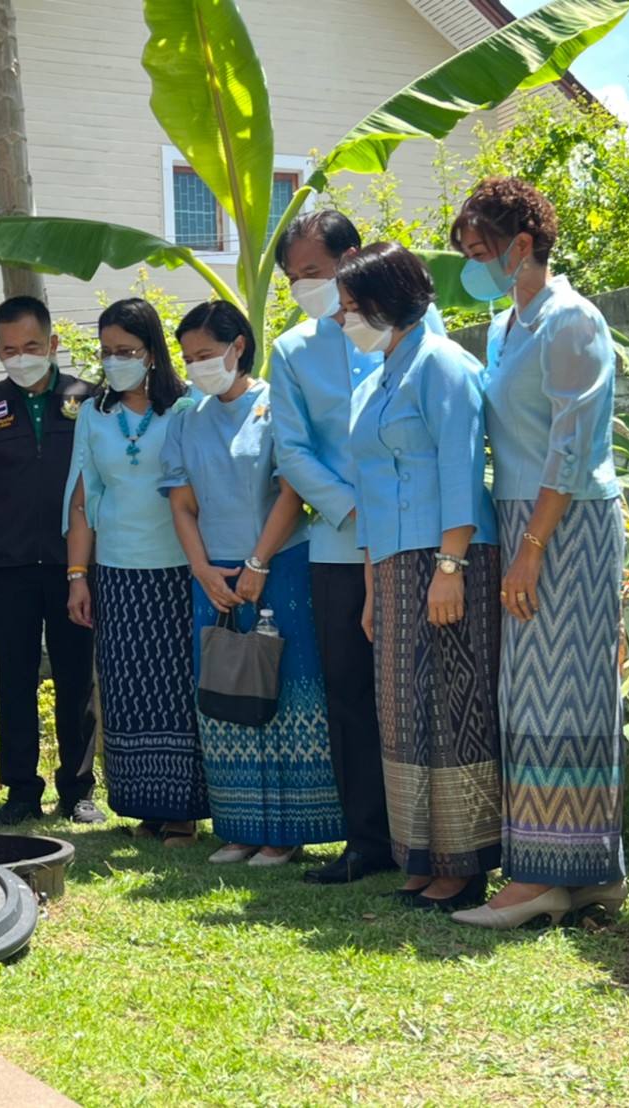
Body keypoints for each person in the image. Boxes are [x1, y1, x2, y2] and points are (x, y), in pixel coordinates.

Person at [447, 178, 627, 929]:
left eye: (482, 251)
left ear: (523, 246)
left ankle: (559, 876)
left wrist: (529, 549)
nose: (473, 264)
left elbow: (570, 447)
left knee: (570, 694)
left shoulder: (571, 321)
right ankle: (566, 874)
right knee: (528, 695)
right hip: (527, 519)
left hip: (567, 525)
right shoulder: (504, 325)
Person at [341, 243, 503, 912]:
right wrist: (376, 586)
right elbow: (372, 489)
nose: (344, 320)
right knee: (404, 712)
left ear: (386, 303)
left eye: (352, 309)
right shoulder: (377, 374)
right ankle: (422, 852)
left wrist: (449, 568)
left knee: (453, 707)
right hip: (395, 565)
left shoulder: (441, 364)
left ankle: (463, 865)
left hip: (448, 556)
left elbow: (461, 466)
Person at [163, 300, 344, 865]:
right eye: (188, 358)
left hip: (281, 567)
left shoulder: (276, 405)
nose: (196, 366)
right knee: (225, 690)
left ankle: (286, 833)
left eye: (206, 354)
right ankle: (240, 826)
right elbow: (182, 502)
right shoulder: (185, 418)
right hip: (211, 575)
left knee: (285, 690)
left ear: (238, 346)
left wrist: (259, 563)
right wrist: (200, 570)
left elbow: (293, 489)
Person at [269, 212, 399, 884]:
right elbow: (290, 451)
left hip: (410, 542)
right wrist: (354, 507)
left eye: (313, 274)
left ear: (350, 260)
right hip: (340, 548)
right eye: (293, 279)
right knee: (347, 693)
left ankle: (432, 836)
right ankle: (367, 839)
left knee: (415, 692)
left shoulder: (400, 327)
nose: (302, 289)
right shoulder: (291, 350)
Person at [64, 298, 208, 844]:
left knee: (175, 688)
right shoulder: (93, 416)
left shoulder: (187, 408)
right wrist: (78, 575)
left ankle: (184, 812)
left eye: (125, 351)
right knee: (125, 691)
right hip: (117, 573)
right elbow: (82, 500)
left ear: (151, 352)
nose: (114, 361)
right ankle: (146, 806)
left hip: (179, 569)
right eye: (106, 352)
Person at [0, 296, 104, 826]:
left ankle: (78, 789)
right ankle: (21, 790)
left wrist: (85, 568)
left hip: (77, 565)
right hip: (9, 563)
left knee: (76, 677)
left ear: (53, 345)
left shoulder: (90, 399)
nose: (21, 357)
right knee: (14, 678)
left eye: (32, 347)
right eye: (9, 349)